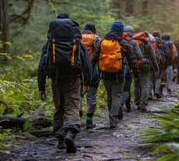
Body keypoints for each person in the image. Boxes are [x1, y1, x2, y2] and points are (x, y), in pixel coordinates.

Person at [38, 13, 92, 153]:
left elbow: (42, 64)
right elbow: (87, 63)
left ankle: (60, 139)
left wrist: (41, 86)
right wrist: (87, 81)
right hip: (74, 78)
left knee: (59, 107)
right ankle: (70, 133)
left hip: (56, 78)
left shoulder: (50, 43)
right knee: (72, 105)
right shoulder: (77, 42)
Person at [92, 20, 140, 128]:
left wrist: (91, 71)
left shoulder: (103, 41)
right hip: (119, 75)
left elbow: (94, 57)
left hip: (105, 74)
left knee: (110, 96)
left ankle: (111, 116)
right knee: (117, 96)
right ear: (121, 31)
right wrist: (136, 74)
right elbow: (132, 60)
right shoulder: (124, 43)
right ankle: (113, 119)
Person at [81, 22, 101, 129]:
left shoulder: (78, 37)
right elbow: (100, 54)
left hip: (79, 71)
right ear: (94, 30)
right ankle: (89, 121)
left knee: (78, 95)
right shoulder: (96, 39)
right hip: (93, 71)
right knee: (91, 96)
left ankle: (76, 120)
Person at [134, 31, 159, 112]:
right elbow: (153, 58)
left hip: (135, 66)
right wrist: (156, 68)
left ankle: (137, 102)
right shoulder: (148, 44)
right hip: (145, 67)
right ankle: (143, 104)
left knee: (136, 85)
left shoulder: (134, 43)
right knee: (145, 85)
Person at [122, 25, 143, 112]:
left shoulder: (119, 41)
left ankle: (121, 104)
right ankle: (126, 105)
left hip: (118, 68)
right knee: (127, 88)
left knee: (121, 88)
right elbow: (140, 55)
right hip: (129, 68)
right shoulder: (133, 42)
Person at [152, 32, 166, 98]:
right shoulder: (161, 42)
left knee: (151, 77)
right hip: (160, 61)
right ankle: (156, 92)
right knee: (159, 77)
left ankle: (149, 94)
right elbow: (166, 52)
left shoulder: (150, 40)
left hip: (151, 60)